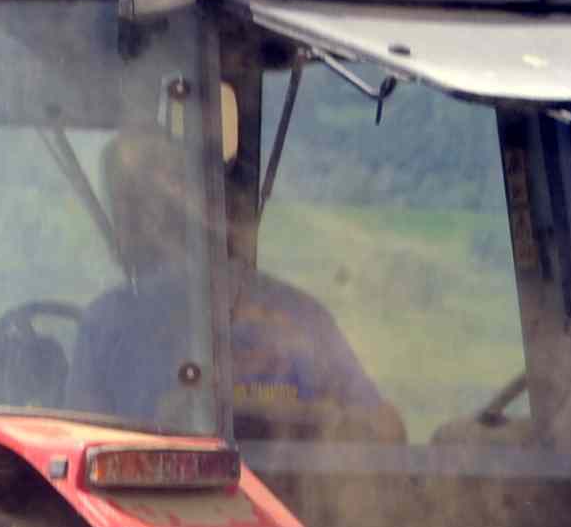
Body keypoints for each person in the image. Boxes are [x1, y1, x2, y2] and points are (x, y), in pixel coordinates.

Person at [77, 125, 403, 443]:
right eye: (129, 204)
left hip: (285, 497)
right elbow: (386, 432)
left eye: (139, 205)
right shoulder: (301, 314)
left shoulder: (108, 325)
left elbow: (383, 431)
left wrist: (293, 417)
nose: (134, 222)